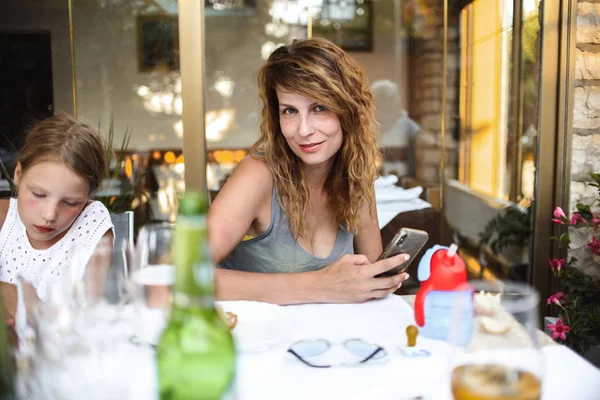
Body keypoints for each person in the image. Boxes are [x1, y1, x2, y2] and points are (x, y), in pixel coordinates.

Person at [208, 38, 410, 304]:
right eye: (290, 110)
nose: (303, 130)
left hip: (328, 341)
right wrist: (321, 285)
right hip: (259, 340)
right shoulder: (257, 175)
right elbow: (179, 277)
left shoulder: (356, 177)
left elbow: (368, 284)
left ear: (348, 110)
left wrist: (378, 281)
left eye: (319, 108)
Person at [0, 113, 114, 307]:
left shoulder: (92, 226)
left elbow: (93, 315)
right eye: (38, 194)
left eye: (70, 203)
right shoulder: (3, 218)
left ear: (88, 196)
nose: (50, 215)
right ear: (18, 174)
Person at [370, 79, 420, 178]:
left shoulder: (409, 127)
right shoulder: (371, 126)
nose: (383, 105)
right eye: (380, 99)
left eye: (387, 99)